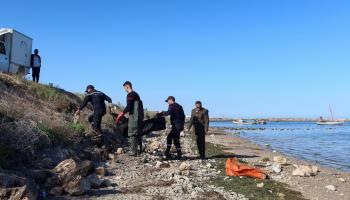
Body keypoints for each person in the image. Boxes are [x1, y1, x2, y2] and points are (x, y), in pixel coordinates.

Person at [115, 81, 144, 156]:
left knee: (132, 133)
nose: (125, 90)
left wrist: (121, 114)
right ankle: (140, 149)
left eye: (124, 88)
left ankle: (133, 152)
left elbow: (129, 107)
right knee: (137, 133)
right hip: (139, 116)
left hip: (134, 116)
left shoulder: (130, 94)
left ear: (127, 87)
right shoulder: (136, 94)